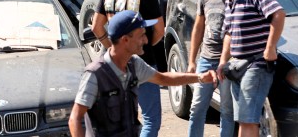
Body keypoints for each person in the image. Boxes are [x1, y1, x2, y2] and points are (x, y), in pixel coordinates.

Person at [69, 10, 218, 137]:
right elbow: (75, 118)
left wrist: (199, 77)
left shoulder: (134, 64)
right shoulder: (95, 74)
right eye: (141, 35)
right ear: (125, 40)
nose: (146, 40)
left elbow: (163, 78)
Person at [91, 0, 165, 137]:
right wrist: (144, 48)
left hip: (112, 65)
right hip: (143, 61)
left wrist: (113, 49)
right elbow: (160, 30)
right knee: (151, 118)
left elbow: (96, 27)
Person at [217, 0, 285, 137]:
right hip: (237, 66)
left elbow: (278, 13)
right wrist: (223, 62)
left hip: (256, 65)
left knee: (248, 119)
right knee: (244, 120)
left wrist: (270, 48)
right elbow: (229, 33)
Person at [187, 0, 234, 137]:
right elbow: (198, 28)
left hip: (229, 61)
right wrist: (192, 61)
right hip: (206, 59)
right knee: (197, 108)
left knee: (227, 110)